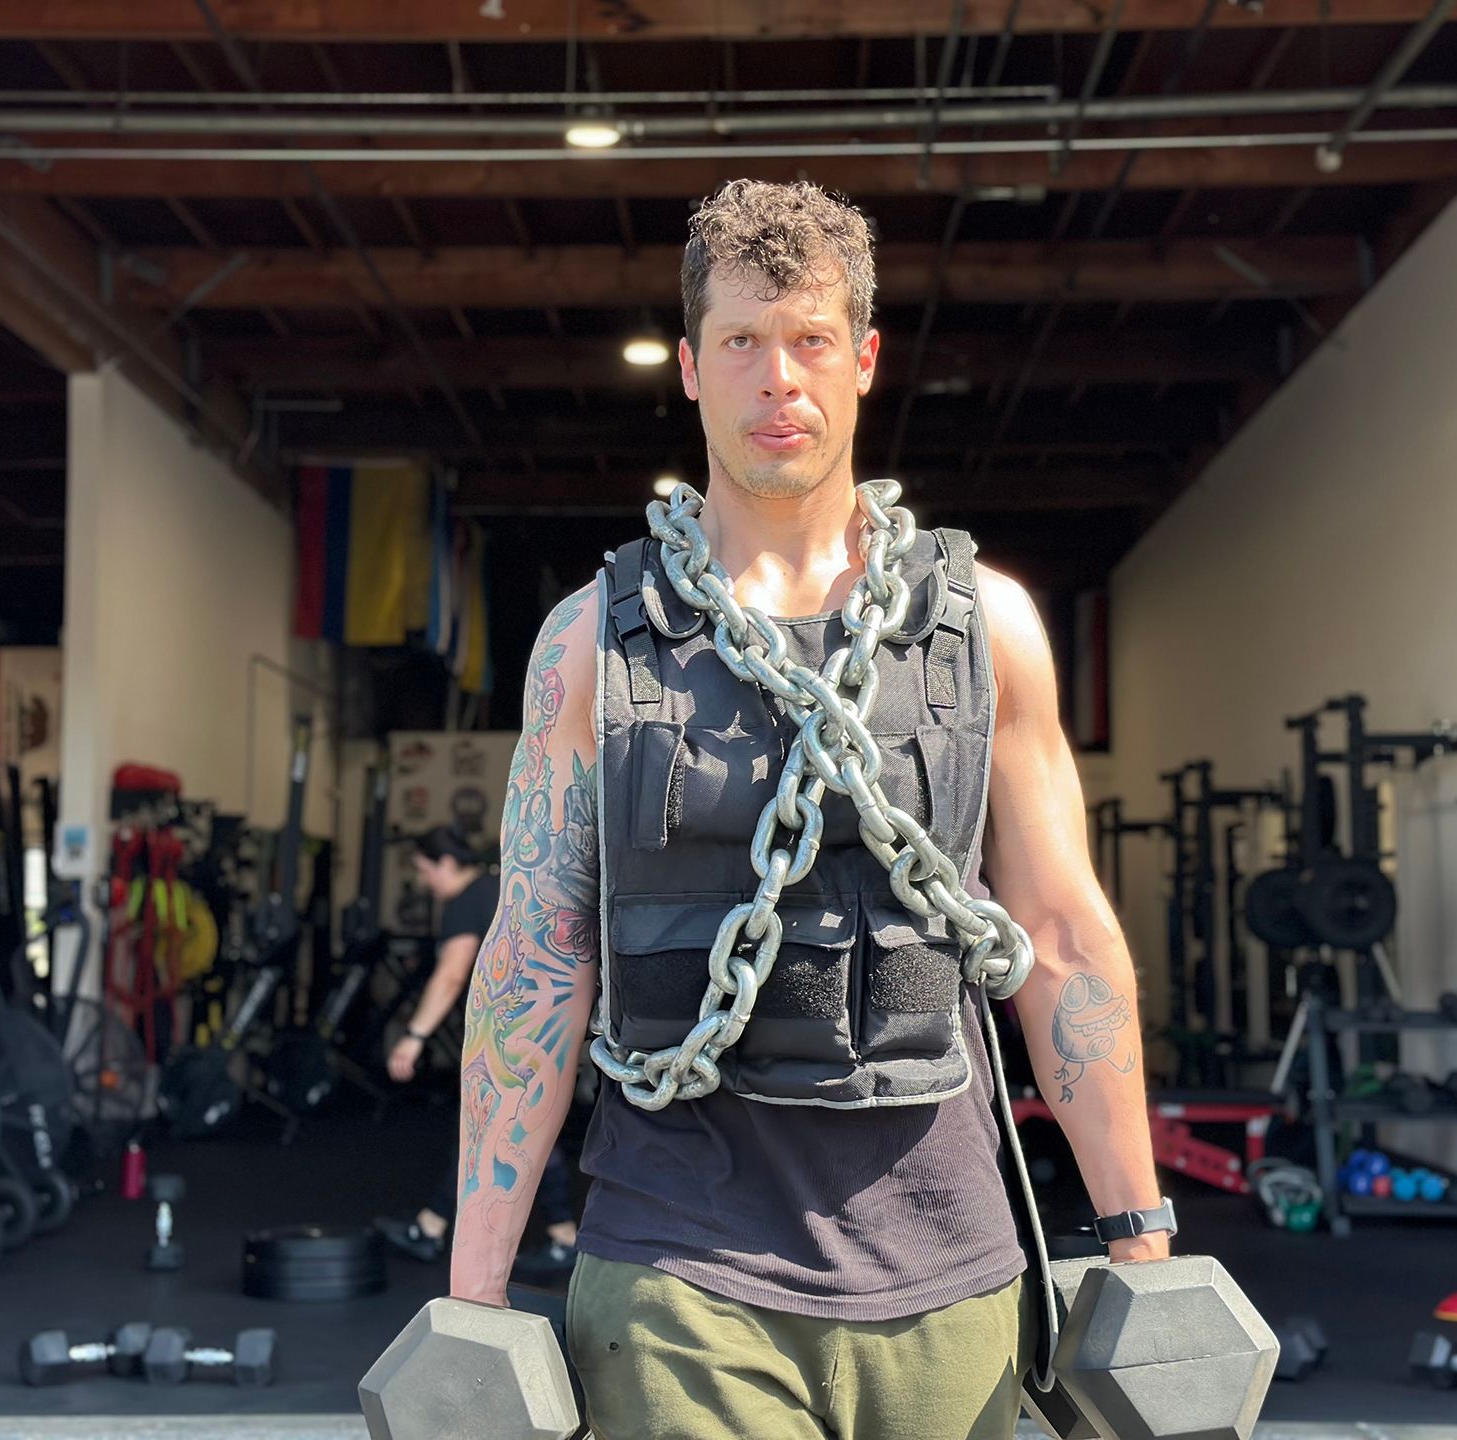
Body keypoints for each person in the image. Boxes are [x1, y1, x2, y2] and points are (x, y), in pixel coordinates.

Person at [450, 179, 1168, 1440]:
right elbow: (535, 956)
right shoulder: (588, 646)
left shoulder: (984, 625)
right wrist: (476, 1289)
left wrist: (1142, 1238)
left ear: (864, 360)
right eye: (741, 341)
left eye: (810, 340)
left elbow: (1057, 935)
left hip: (952, 1274)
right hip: (681, 1272)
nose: (777, 378)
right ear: (688, 367)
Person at [374, 824, 580, 1281]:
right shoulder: (500, 889)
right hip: (545, 1023)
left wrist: (414, 1035)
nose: (427, 882)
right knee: (495, 1129)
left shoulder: (465, 903)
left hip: (515, 1030)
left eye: (427, 871)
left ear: (448, 864)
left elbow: (450, 975)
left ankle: (564, 1235)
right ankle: (431, 1225)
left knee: (514, 1130)